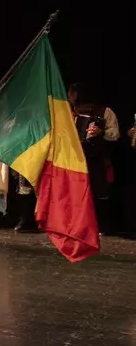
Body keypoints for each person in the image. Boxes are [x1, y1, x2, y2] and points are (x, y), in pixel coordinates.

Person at [68, 83, 120, 235]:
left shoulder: (104, 111)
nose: (68, 97)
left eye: (70, 93)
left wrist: (101, 132)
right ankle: (77, 226)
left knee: (99, 193)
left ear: (76, 94)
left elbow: (115, 134)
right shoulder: (67, 111)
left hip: (97, 159)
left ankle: (102, 226)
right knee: (75, 194)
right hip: (73, 159)